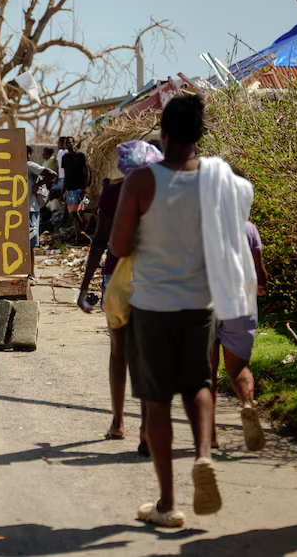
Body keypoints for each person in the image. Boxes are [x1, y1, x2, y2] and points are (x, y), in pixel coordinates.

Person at [110, 94, 253, 527]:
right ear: (199, 136)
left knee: (156, 403)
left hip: (152, 306)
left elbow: (118, 246)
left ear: (164, 134)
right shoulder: (218, 178)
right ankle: (204, 456)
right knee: (198, 384)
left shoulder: (141, 182)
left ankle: (168, 503)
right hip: (201, 305)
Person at [78, 140, 163, 453]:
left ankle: (117, 423)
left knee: (118, 352)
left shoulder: (114, 192)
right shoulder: (164, 194)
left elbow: (100, 240)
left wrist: (85, 286)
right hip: (153, 280)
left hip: (116, 278)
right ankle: (145, 430)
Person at [210, 183, 268, 452]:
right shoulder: (249, 228)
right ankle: (247, 403)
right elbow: (259, 269)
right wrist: (263, 286)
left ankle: (209, 434)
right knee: (238, 368)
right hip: (241, 303)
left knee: (206, 373)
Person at [26, 146, 56, 286]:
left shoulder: (29, 166)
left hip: (30, 209)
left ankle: (31, 274)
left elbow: (51, 174)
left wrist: (37, 185)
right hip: (18, 210)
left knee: (30, 245)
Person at [61, 137, 90, 242]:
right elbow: (65, 175)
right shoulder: (65, 158)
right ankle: (79, 238)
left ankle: (83, 233)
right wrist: (63, 191)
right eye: (66, 143)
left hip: (78, 189)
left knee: (76, 213)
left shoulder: (80, 156)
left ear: (74, 143)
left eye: (69, 143)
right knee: (74, 215)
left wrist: (84, 189)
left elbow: (87, 172)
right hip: (69, 189)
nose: (68, 145)